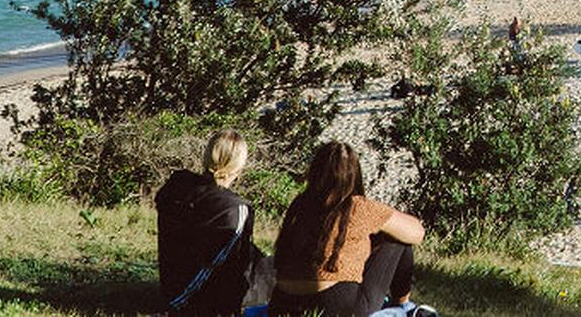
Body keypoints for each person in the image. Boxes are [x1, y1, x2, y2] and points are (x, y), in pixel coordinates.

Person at [271, 142, 425, 317]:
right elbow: (417, 233)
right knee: (397, 238)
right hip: (335, 306)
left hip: (281, 304)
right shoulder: (357, 206)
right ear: (354, 174)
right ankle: (403, 305)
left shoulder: (300, 204)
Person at [156, 130, 273, 317]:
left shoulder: (176, 188)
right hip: (203, 302)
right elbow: (229, 262)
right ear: (238, 167)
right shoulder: (236, 209)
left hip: (170, 284)